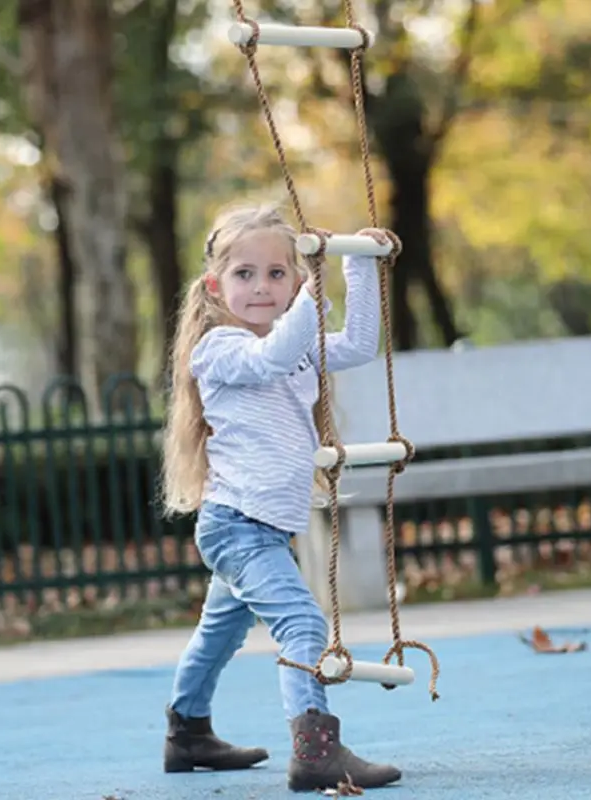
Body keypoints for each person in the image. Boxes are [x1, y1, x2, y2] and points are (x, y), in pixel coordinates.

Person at [159, 203, 401, 792]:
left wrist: (357, 266)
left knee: (219, 632)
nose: (261, 287)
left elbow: (359, 345)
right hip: (236, 524)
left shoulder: (298, 346)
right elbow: (271, 358)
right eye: (244, 274)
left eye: (276, 273)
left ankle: (187, 732)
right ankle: (315, 750)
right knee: (302, 624)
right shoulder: (218, 349)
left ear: (292, 281)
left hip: (263, 526)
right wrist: (312, 289)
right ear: (215, 287)